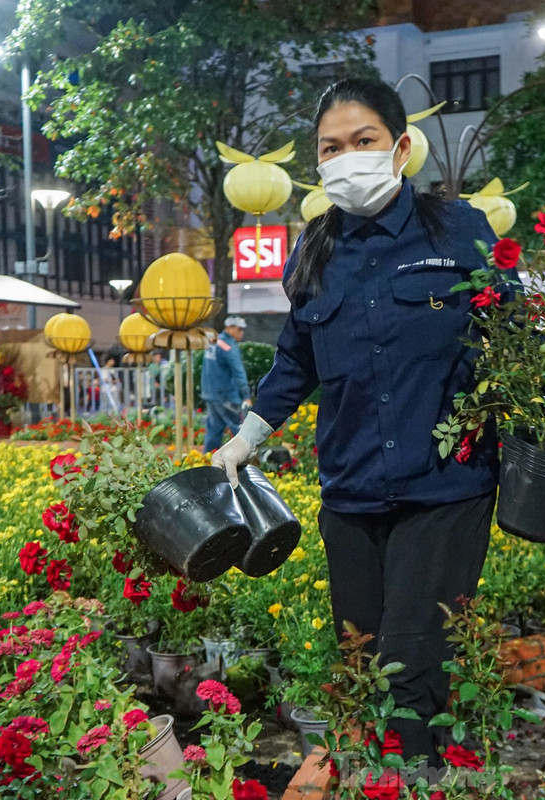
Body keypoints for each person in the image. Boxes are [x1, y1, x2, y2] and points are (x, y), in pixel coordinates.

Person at [209, 78, 507, 764]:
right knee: (361, 654)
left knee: (412, 659)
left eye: (363, 141)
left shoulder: (457, 229)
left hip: (445, 487)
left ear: (400, 148)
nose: (347, 158)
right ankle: (378, 769)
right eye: (331, 148)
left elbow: (510, 328)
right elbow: (296, 359)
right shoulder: (314, 248)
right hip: (351, 492)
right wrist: (246, 439)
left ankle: (416, 777)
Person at [201, 316, 251, 452]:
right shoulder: (228, 346)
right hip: (226, 395)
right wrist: (246, 395)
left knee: (214, 429)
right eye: (239, 329)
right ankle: (247, 460)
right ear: (230, 328)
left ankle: (207, 459)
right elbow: (238, 371)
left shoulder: (214, 342)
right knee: (240, 428)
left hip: (210, 394)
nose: (242, 333)